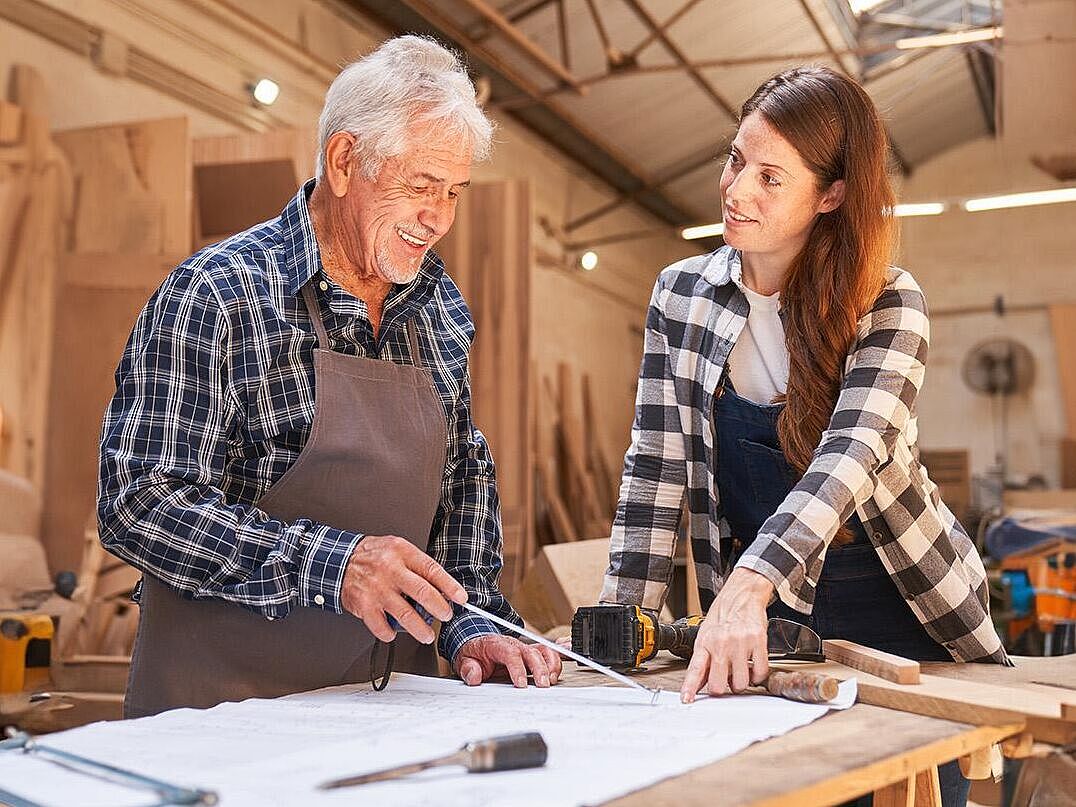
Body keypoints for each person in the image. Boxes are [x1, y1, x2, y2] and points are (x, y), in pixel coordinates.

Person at [98, 35, 560, 719]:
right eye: (421, 186)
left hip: (382, 711)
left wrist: (472, 618)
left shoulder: (438, 310)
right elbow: (139, 501)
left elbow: (461, 475)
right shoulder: (218, 295)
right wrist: (333, 565)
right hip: (220, 717)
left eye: (455, 192)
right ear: (345, 161)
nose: (440, 218)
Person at [599, 66, 1008, 807]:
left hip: (898, 605)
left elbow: (844, 460)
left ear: (831, 195)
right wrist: (612, 640)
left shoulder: (887, 302)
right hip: (772, 619)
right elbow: (655, 468)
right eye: (734, 160)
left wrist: (747, 587)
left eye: (769, 177)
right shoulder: (681, 297)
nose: (736, 190)